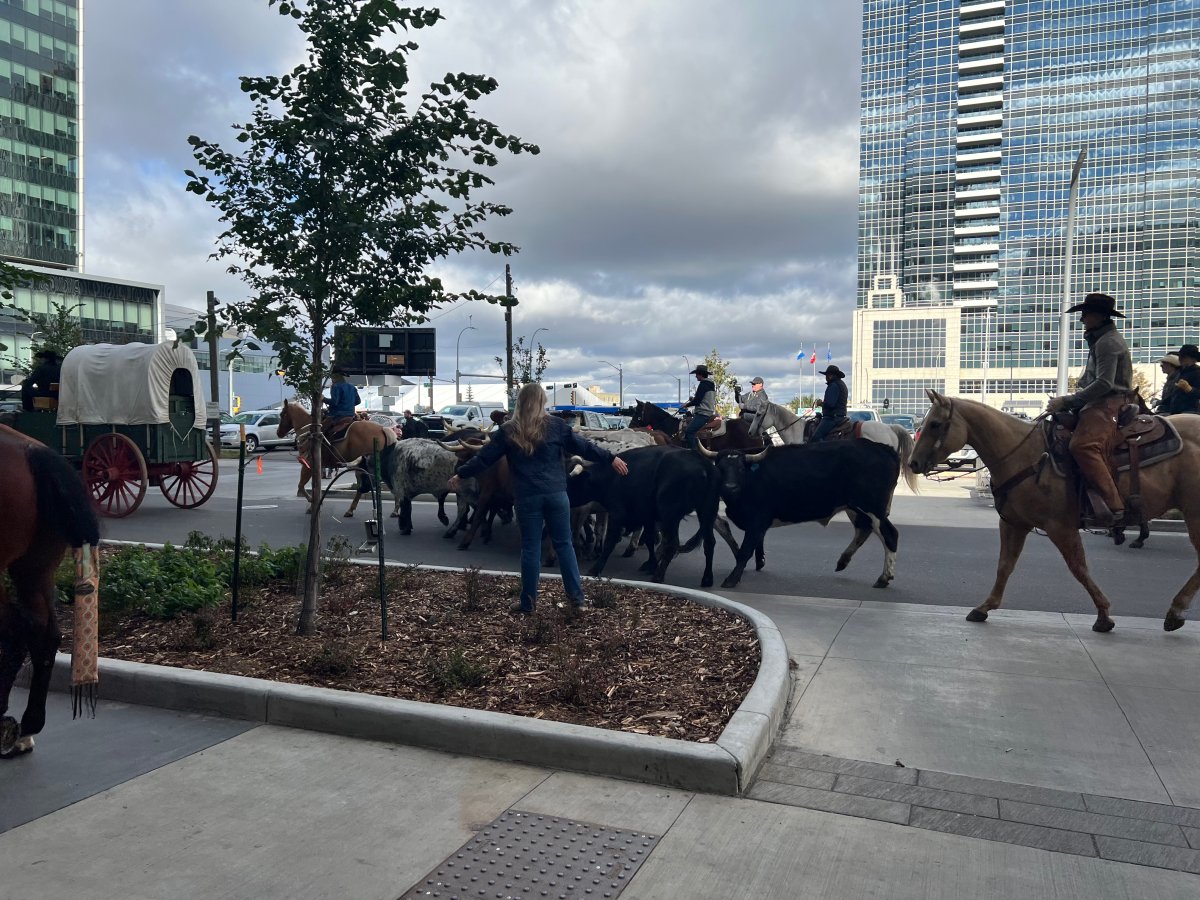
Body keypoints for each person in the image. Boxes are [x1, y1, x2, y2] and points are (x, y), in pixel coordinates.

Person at [448, 382, 629, 615]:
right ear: (543, 402)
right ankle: (577, 599)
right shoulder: (557, 426)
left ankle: (528, 603)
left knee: (531, 548)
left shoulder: (507, 430)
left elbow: (484, 459)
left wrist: (460, 474)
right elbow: (584, 447)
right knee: (565, 545)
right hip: (556, 495)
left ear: (520, 403)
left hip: (526, 497)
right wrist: (611, 458)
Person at [1046, 292, 1134, 527]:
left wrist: (1067, 401)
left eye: (1085, 314)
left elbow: (1104, 383)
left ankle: (1115, 507)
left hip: (1107, 403)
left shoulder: (1108, 342)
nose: (1082, 319)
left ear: (1099, 316)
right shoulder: (1100, 339)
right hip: (1095, 402)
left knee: (1082, 446)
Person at [680, 364, 717, 449]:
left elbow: (697, 401)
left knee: (689, 432)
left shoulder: (703, 384)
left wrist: (686, 405)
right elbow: (703, 398)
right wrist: (693, 398)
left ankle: (694, 453)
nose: (696, 376)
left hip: (703, 414)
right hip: (708, 412)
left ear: (700, 374)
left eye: (696, 374)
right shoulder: (710, 384)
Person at [810, 364, 848, 442]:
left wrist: (821, 403)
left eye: (826, 375)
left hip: (832, 417)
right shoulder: (841, 384)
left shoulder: (833, 385)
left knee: (815, 438)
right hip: (839, 415)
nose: (826, 377)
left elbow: (830, 404)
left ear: (830, 375)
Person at [321, 367, 360, 438]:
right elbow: (358, 401)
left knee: (319, 430)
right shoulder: (352, 386)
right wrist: (348, 404)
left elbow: (335, 402)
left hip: (337, 416)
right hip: (351, 415)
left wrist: (323, 399)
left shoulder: (335, 386)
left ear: (334, 376)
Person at [1163, 344, 1200, 415]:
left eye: (1184, 357)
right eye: (1180, 356)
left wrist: (1190, 389)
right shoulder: (1181, 372)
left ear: (1193, 359)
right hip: (1176, 411)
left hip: (1190, 411)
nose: (1180, 359)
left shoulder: (1197, 372)